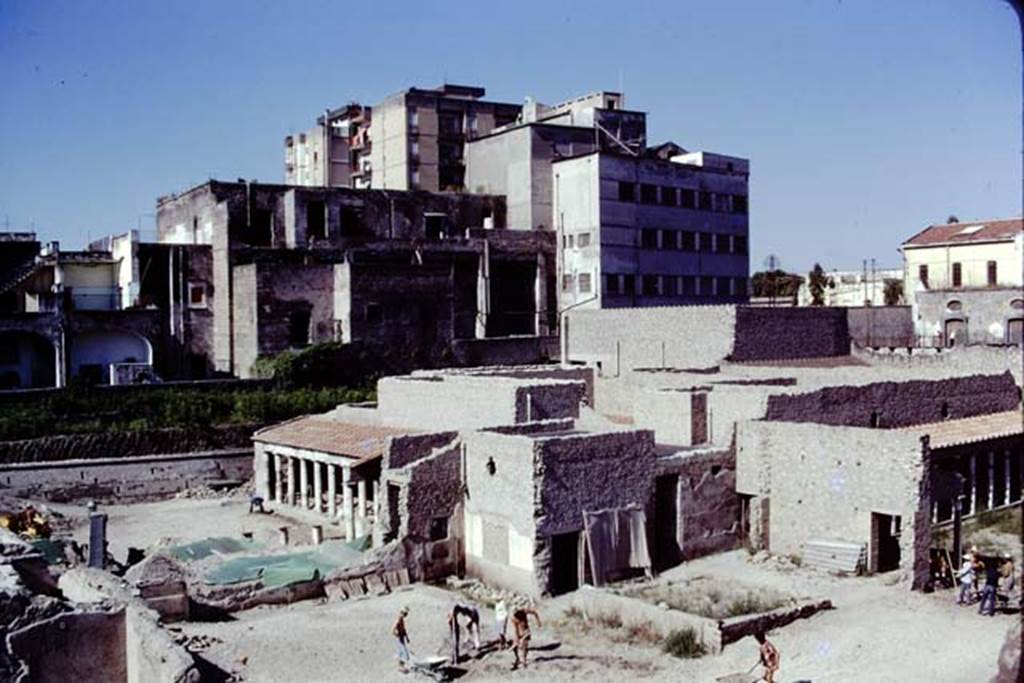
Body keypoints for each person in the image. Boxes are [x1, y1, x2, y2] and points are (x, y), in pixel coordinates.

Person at [510, 606, 541, 670]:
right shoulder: (514, 619)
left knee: (524, 646)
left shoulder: (524, 611)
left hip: (526, 631)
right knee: (516, 647)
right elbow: (516, 630)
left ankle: (524, 661)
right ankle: (518, 659)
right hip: (520, 633)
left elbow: (534, 612)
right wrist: (517, 638)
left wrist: (538, 621)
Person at [392, 606, 411, 671]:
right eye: (405, 614)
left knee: (401, 652)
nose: (406, 615)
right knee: (403, 652)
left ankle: (401, 666)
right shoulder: (398, 620)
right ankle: (401, 667)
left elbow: (403, 629)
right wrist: (397, 635)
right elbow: (393, 630)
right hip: (400, 638)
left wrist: (407, 637)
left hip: (402, 637)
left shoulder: (401, 620)